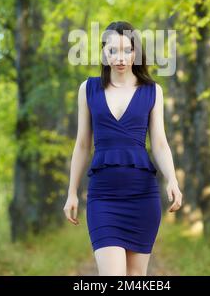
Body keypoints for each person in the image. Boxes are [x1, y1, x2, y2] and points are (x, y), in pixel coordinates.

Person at [63, 21, 182, 276]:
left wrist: (172, 178)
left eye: (127, 50)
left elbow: (160, 143)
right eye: (113, 50)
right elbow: (82, 144)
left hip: (142, 196)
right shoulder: (88, 89)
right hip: (103, 197)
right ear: (104, 52)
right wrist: (72, 192)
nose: (120, 58)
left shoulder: (152, 91)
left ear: (136, 52)